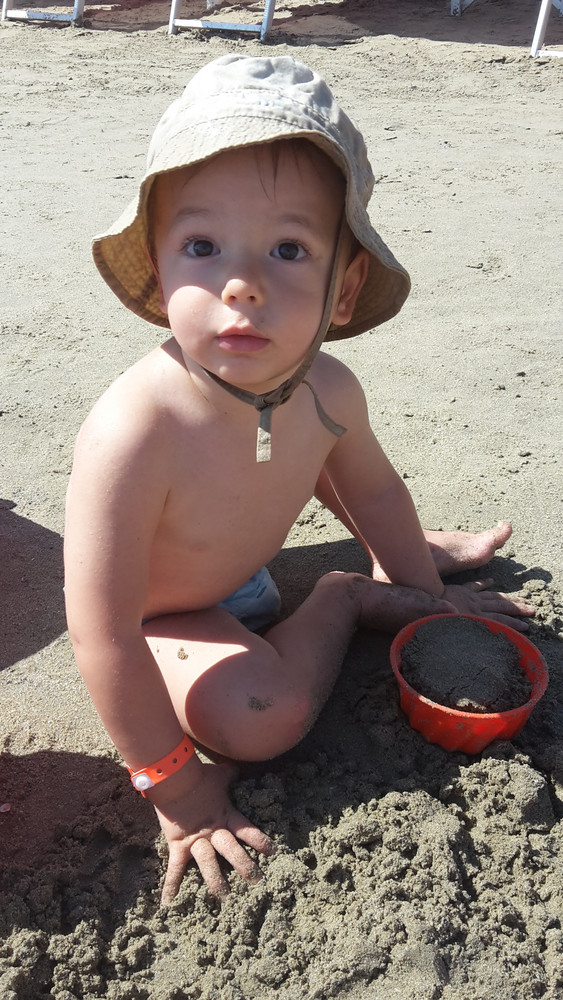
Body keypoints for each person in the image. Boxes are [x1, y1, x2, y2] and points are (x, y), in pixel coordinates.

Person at [64, 55, 534, 905]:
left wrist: (430, 606)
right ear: (160, 272)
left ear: (342, 289)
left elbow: (372, 491)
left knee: (320, 455)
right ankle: (343, 596)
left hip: (239, 560)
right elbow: (101, 632)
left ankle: (396, 579)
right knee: (260, 720)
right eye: (202, 247)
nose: (242, 285)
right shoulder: (135, 430)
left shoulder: (327, 389)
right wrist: (178, 790)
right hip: (161, 612)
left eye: (288, 249)